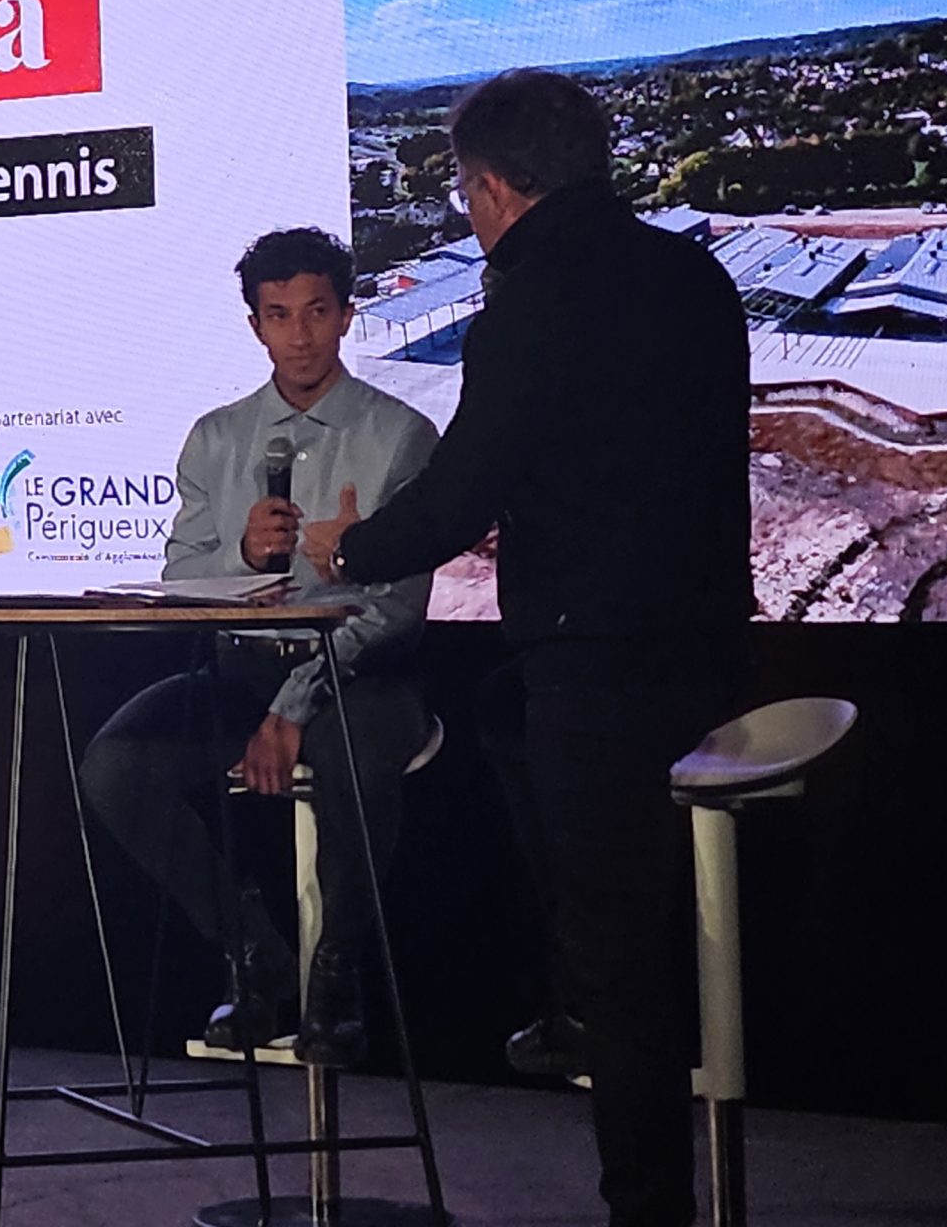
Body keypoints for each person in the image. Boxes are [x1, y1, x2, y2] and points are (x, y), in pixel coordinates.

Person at [303, 69, 750, 1227]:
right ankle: (563, 995)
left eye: (467, 193)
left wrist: (350, 549)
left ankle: (644, 1204)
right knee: (502, 723)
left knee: (622, 966)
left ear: (494, 187)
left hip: (596, 659)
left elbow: (459, 494)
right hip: (706, 643)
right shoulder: (692, 273)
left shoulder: (531, 303)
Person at [79, 229, 438, 1064]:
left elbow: (396, 611)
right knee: (115, 767)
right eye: (279, 316)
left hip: (359, 669)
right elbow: (179, 583)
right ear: (255, 327)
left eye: (317, 312)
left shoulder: (402, 437)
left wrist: (292, 706)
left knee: (355, 758)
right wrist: (241, 558)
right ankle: (254, 954)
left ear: (348, 315)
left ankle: (335, 975)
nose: (301, 334)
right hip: (238, 663)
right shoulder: (218, 437)